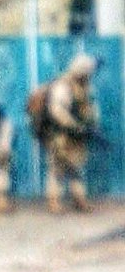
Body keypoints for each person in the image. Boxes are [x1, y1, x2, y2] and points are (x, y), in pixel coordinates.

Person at [37, 53, 100, 213]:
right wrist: (75, 126)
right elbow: (57, 111)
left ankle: (79, 200)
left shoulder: (83, 85)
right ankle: (54, 202)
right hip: (61, 134)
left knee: (75, 168)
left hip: (75, 135)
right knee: (57, 169)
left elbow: (88, 107)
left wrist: (89, 126)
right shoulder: (63, 85)